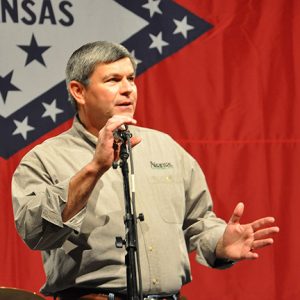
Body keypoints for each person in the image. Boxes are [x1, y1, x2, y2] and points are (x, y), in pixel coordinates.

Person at [12, 41, 279, 300]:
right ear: (78, 91)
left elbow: (199, 223)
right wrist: (95, 169)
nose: (128, 89)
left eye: (131, 78)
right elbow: (36, 233)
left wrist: (221, 243)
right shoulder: (45, 158)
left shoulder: (165, 147)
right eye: (113, 80)